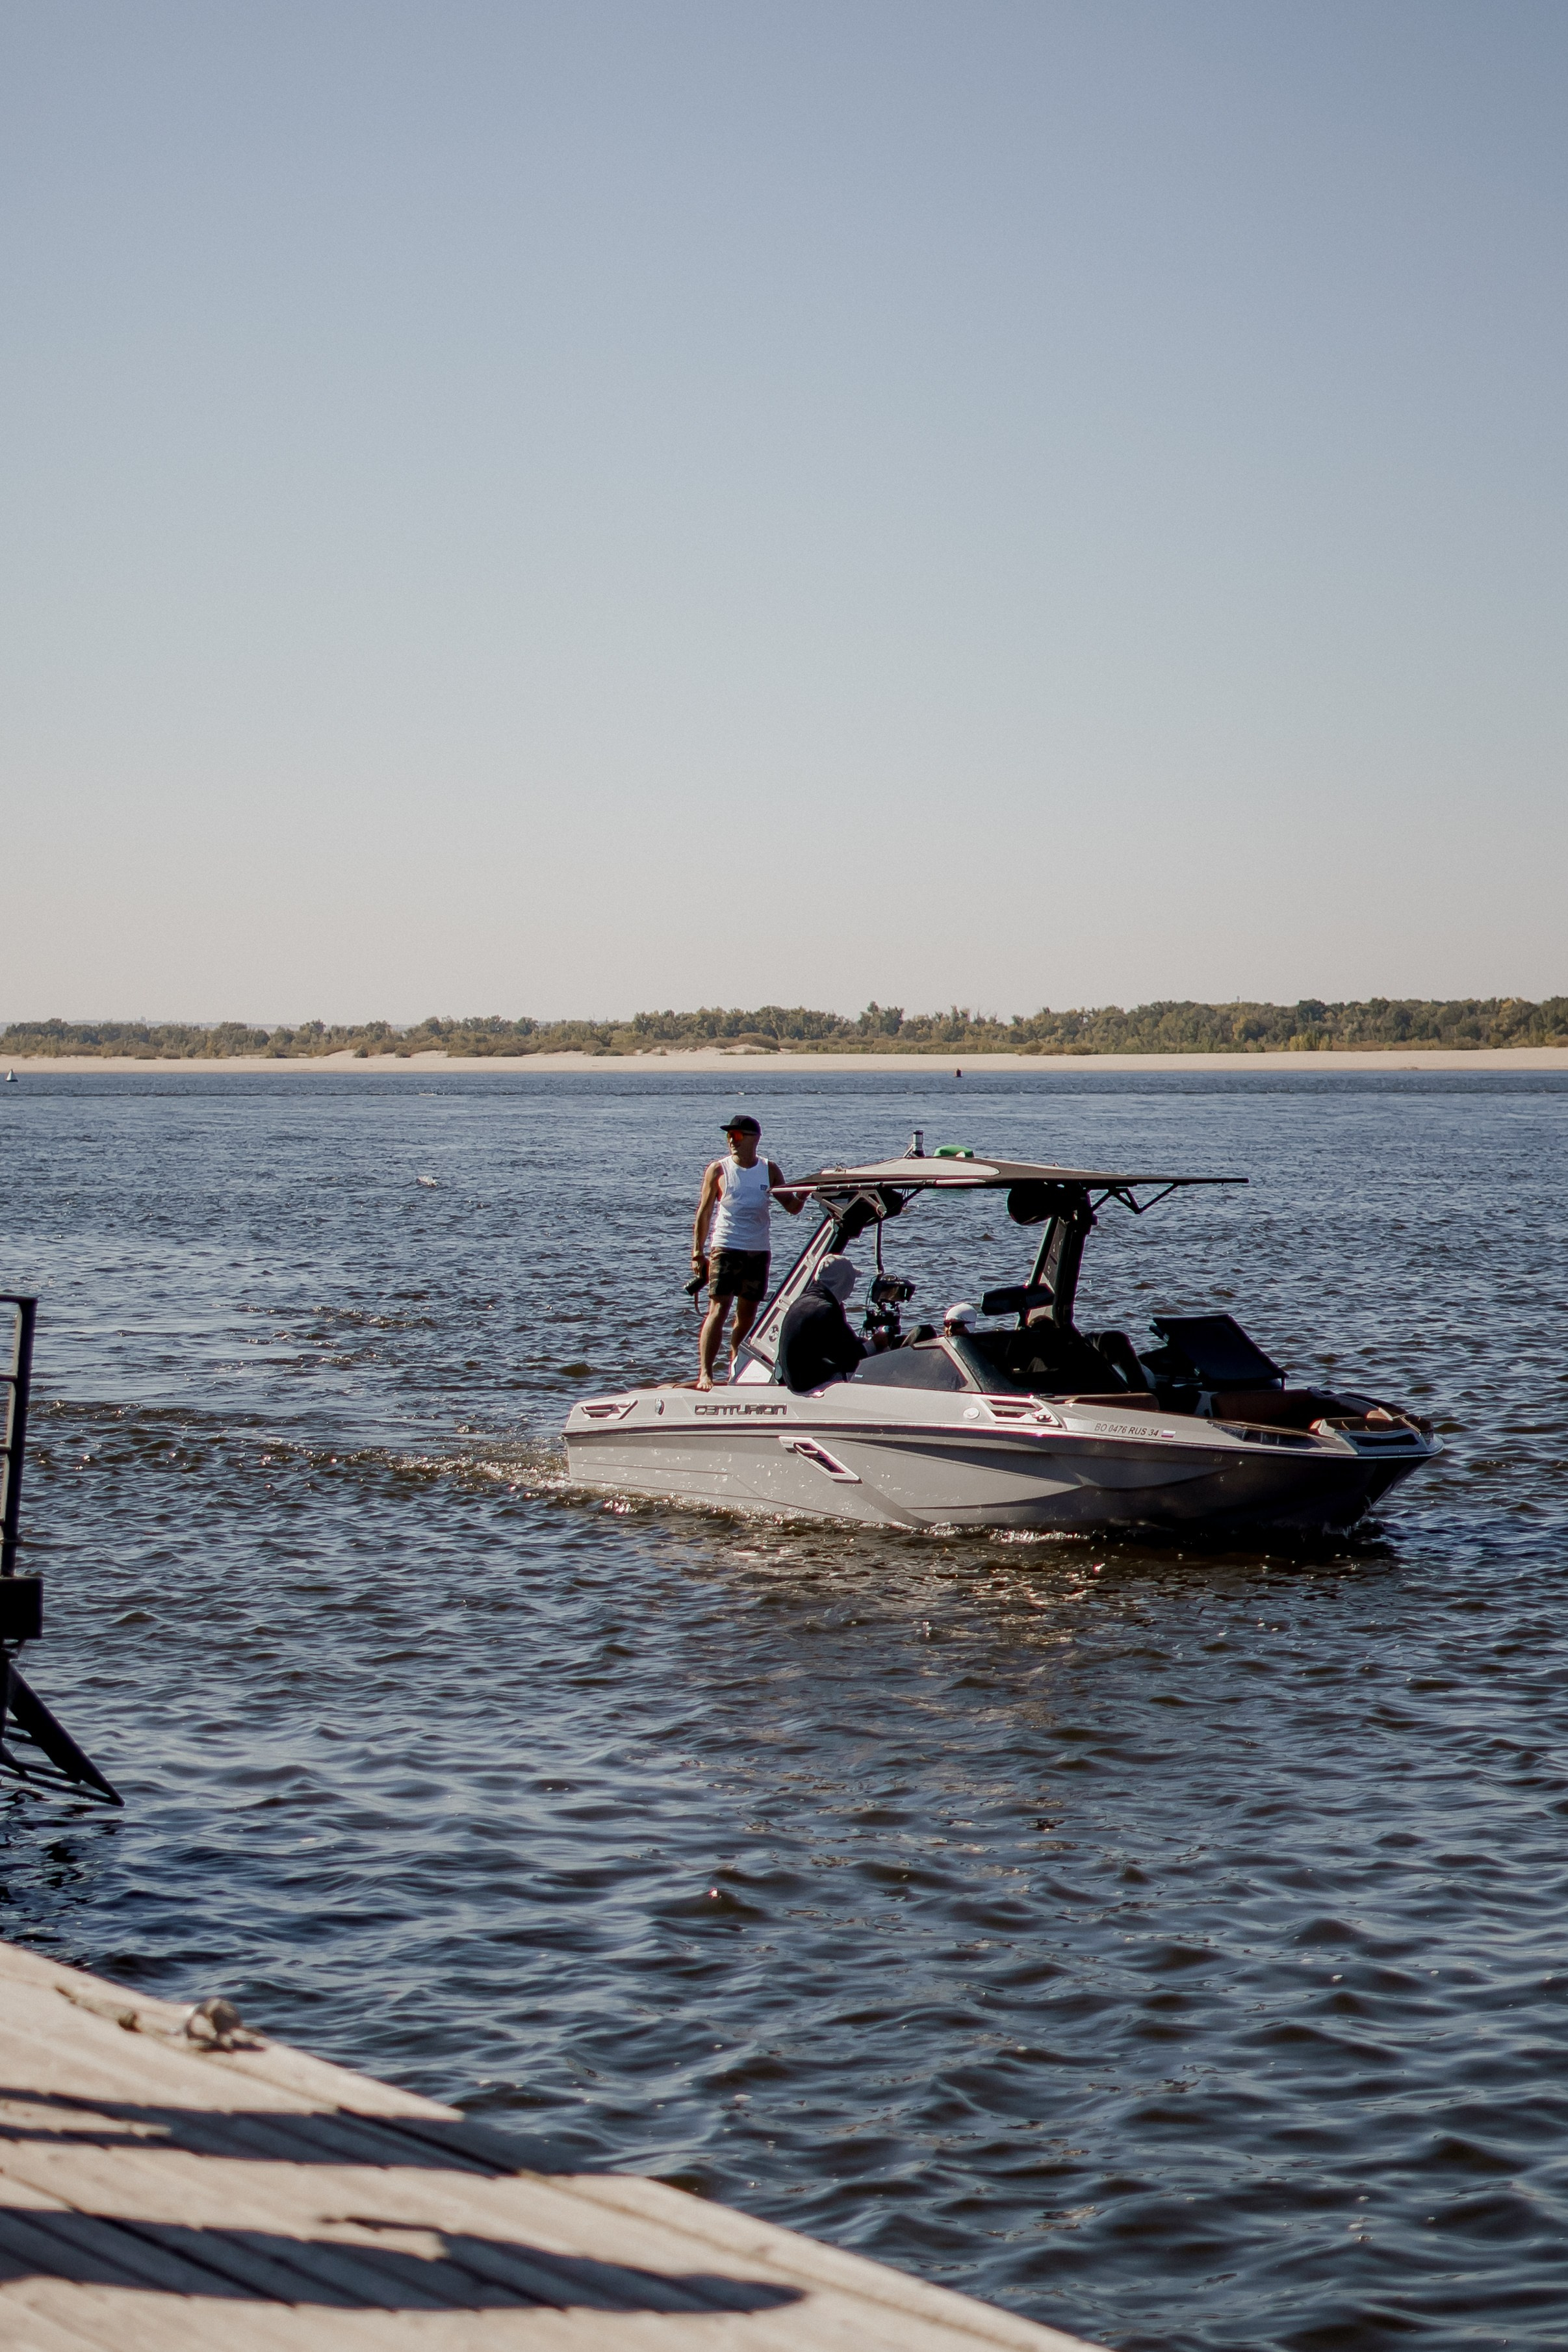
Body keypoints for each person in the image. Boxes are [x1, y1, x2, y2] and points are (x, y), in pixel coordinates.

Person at [691, 1115, 803, 1388]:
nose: (732, 1140)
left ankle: (735, 1371)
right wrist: (697, 1253)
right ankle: (705, 1373)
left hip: (758, 1250)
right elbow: (704, 1212)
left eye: (738, 1135)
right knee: (719, 1308)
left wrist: (806, 1193)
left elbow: (792, 1207)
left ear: (755, 1139)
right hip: (726, 1247)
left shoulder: (769, 1170)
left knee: (747, 1316)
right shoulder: (718, 1170)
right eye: (729, 1135)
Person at [777, 1254, 868, 1393]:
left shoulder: (804, 1300)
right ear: (844, 1282)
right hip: (807, 1385)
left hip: (792, 1379)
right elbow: (850, 1358)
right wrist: (875, 1345)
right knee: (867, 1373)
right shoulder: (826, 1311)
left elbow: (840, 1344)